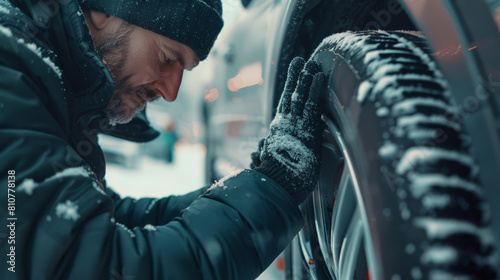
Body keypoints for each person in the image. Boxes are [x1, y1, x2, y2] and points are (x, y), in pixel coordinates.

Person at [0, 0, 325, 279]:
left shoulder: (33, 73)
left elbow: (100, 220)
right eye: (168, 58)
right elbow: (97, 264)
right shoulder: (8, 77)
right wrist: (272, 190)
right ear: (103, 12)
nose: (171, 93)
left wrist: (257, 185)